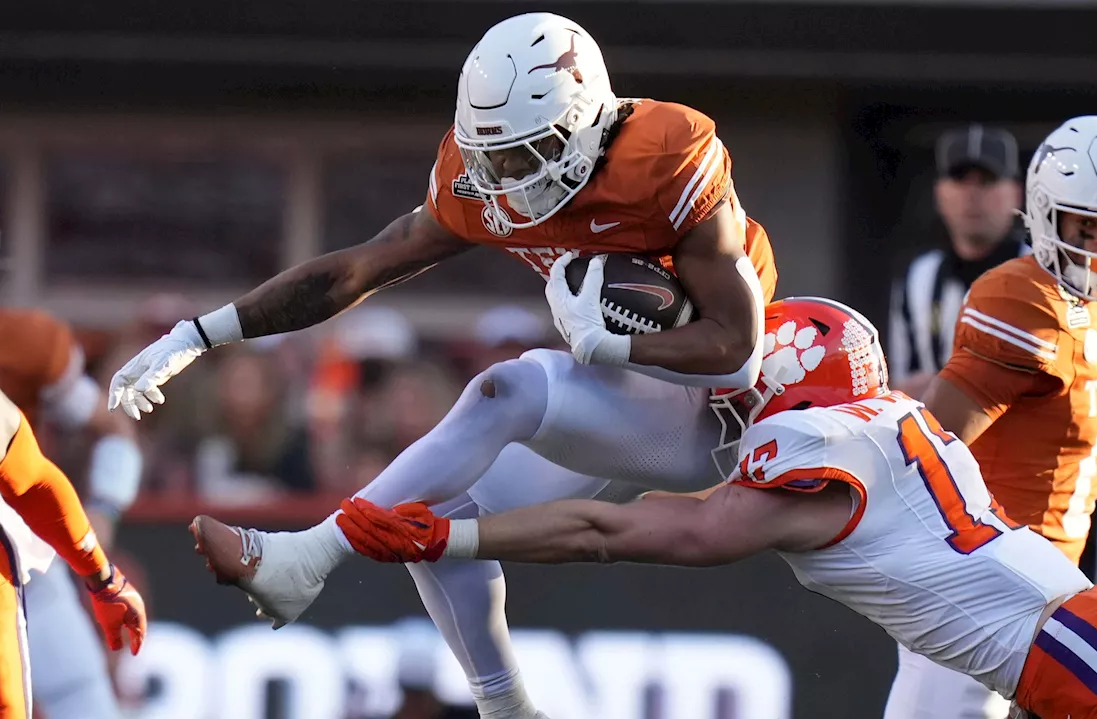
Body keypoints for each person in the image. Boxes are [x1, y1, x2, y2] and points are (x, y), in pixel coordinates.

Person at [110, 12, 775, 719]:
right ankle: (507, 707)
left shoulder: (666, 153)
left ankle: (308, 556)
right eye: (497, 158)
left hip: (717, 411)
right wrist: (200, 333)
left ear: (583, 123)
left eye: (527, 154)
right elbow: (358, 269)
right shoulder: (481, 173)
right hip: (617, 395)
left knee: (507, 386)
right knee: (431, 514)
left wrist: (610, 344)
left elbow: (737, 350)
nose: (509, 178)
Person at [318, 297, 1097, 719]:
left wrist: (457, 529)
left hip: (1076, 651)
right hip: (1069, 652)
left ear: (795, 385)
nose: (729, 414)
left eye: (744, 392)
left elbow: (651, 529)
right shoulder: (886, 418)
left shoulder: (820, 444)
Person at [887, 115, 1097, 718]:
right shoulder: (1024, 297)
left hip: (1052, 583)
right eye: (1088, 225)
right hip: (986, 591)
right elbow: (928, 450)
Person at [0, 308, 145, 719]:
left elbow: (35, 481)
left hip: (19, 559)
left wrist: (101, 519)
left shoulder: (26, 345)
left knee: (80, 697)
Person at [887, 123, 1025, 399]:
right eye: (960, 179)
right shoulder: (918, 278)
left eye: (987, 180)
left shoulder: (1049, 274)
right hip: (937, 438)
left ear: (1016, 193)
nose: (972, 195)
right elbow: (899, 385)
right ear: (940, 193)